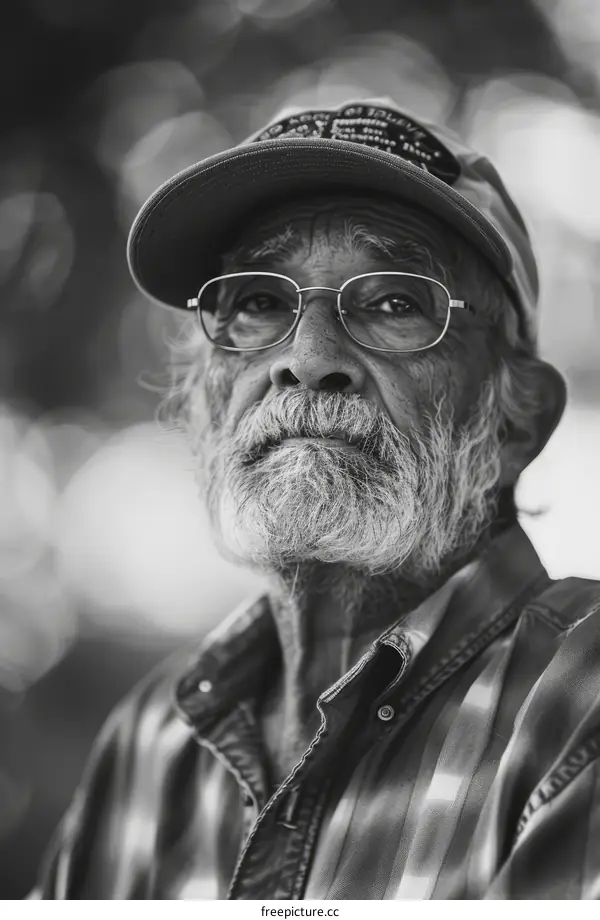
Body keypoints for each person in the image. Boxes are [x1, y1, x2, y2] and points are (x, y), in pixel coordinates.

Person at [37, 99, 600, 900]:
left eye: (396, 303)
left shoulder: (581, 705)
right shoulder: (149, 740)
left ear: (517, 419)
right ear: (205, 398)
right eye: (260, 303)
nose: (307, 359)